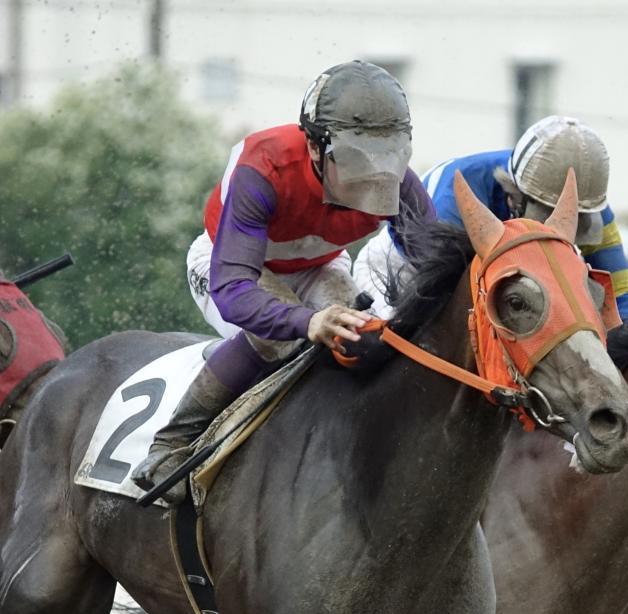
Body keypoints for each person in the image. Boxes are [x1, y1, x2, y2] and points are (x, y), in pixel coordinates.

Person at [130, 60, 433, 501]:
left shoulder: (400, 183)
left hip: (319, 265)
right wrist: (306, 321)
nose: (371, 173)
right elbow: (235, 290)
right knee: (278, 339)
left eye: (383, 153)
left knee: (364, 341)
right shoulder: (264, 168)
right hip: (232, 265)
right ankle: (171, 444)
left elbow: (437, 264)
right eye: (354, 157)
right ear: (313, 145)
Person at [354, 115, 628, 327]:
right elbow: (453, 297)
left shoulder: (590, 205)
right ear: (513, 196)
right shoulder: (455, 194)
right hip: (409, 273)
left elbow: (620, 292)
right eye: (545, 216)